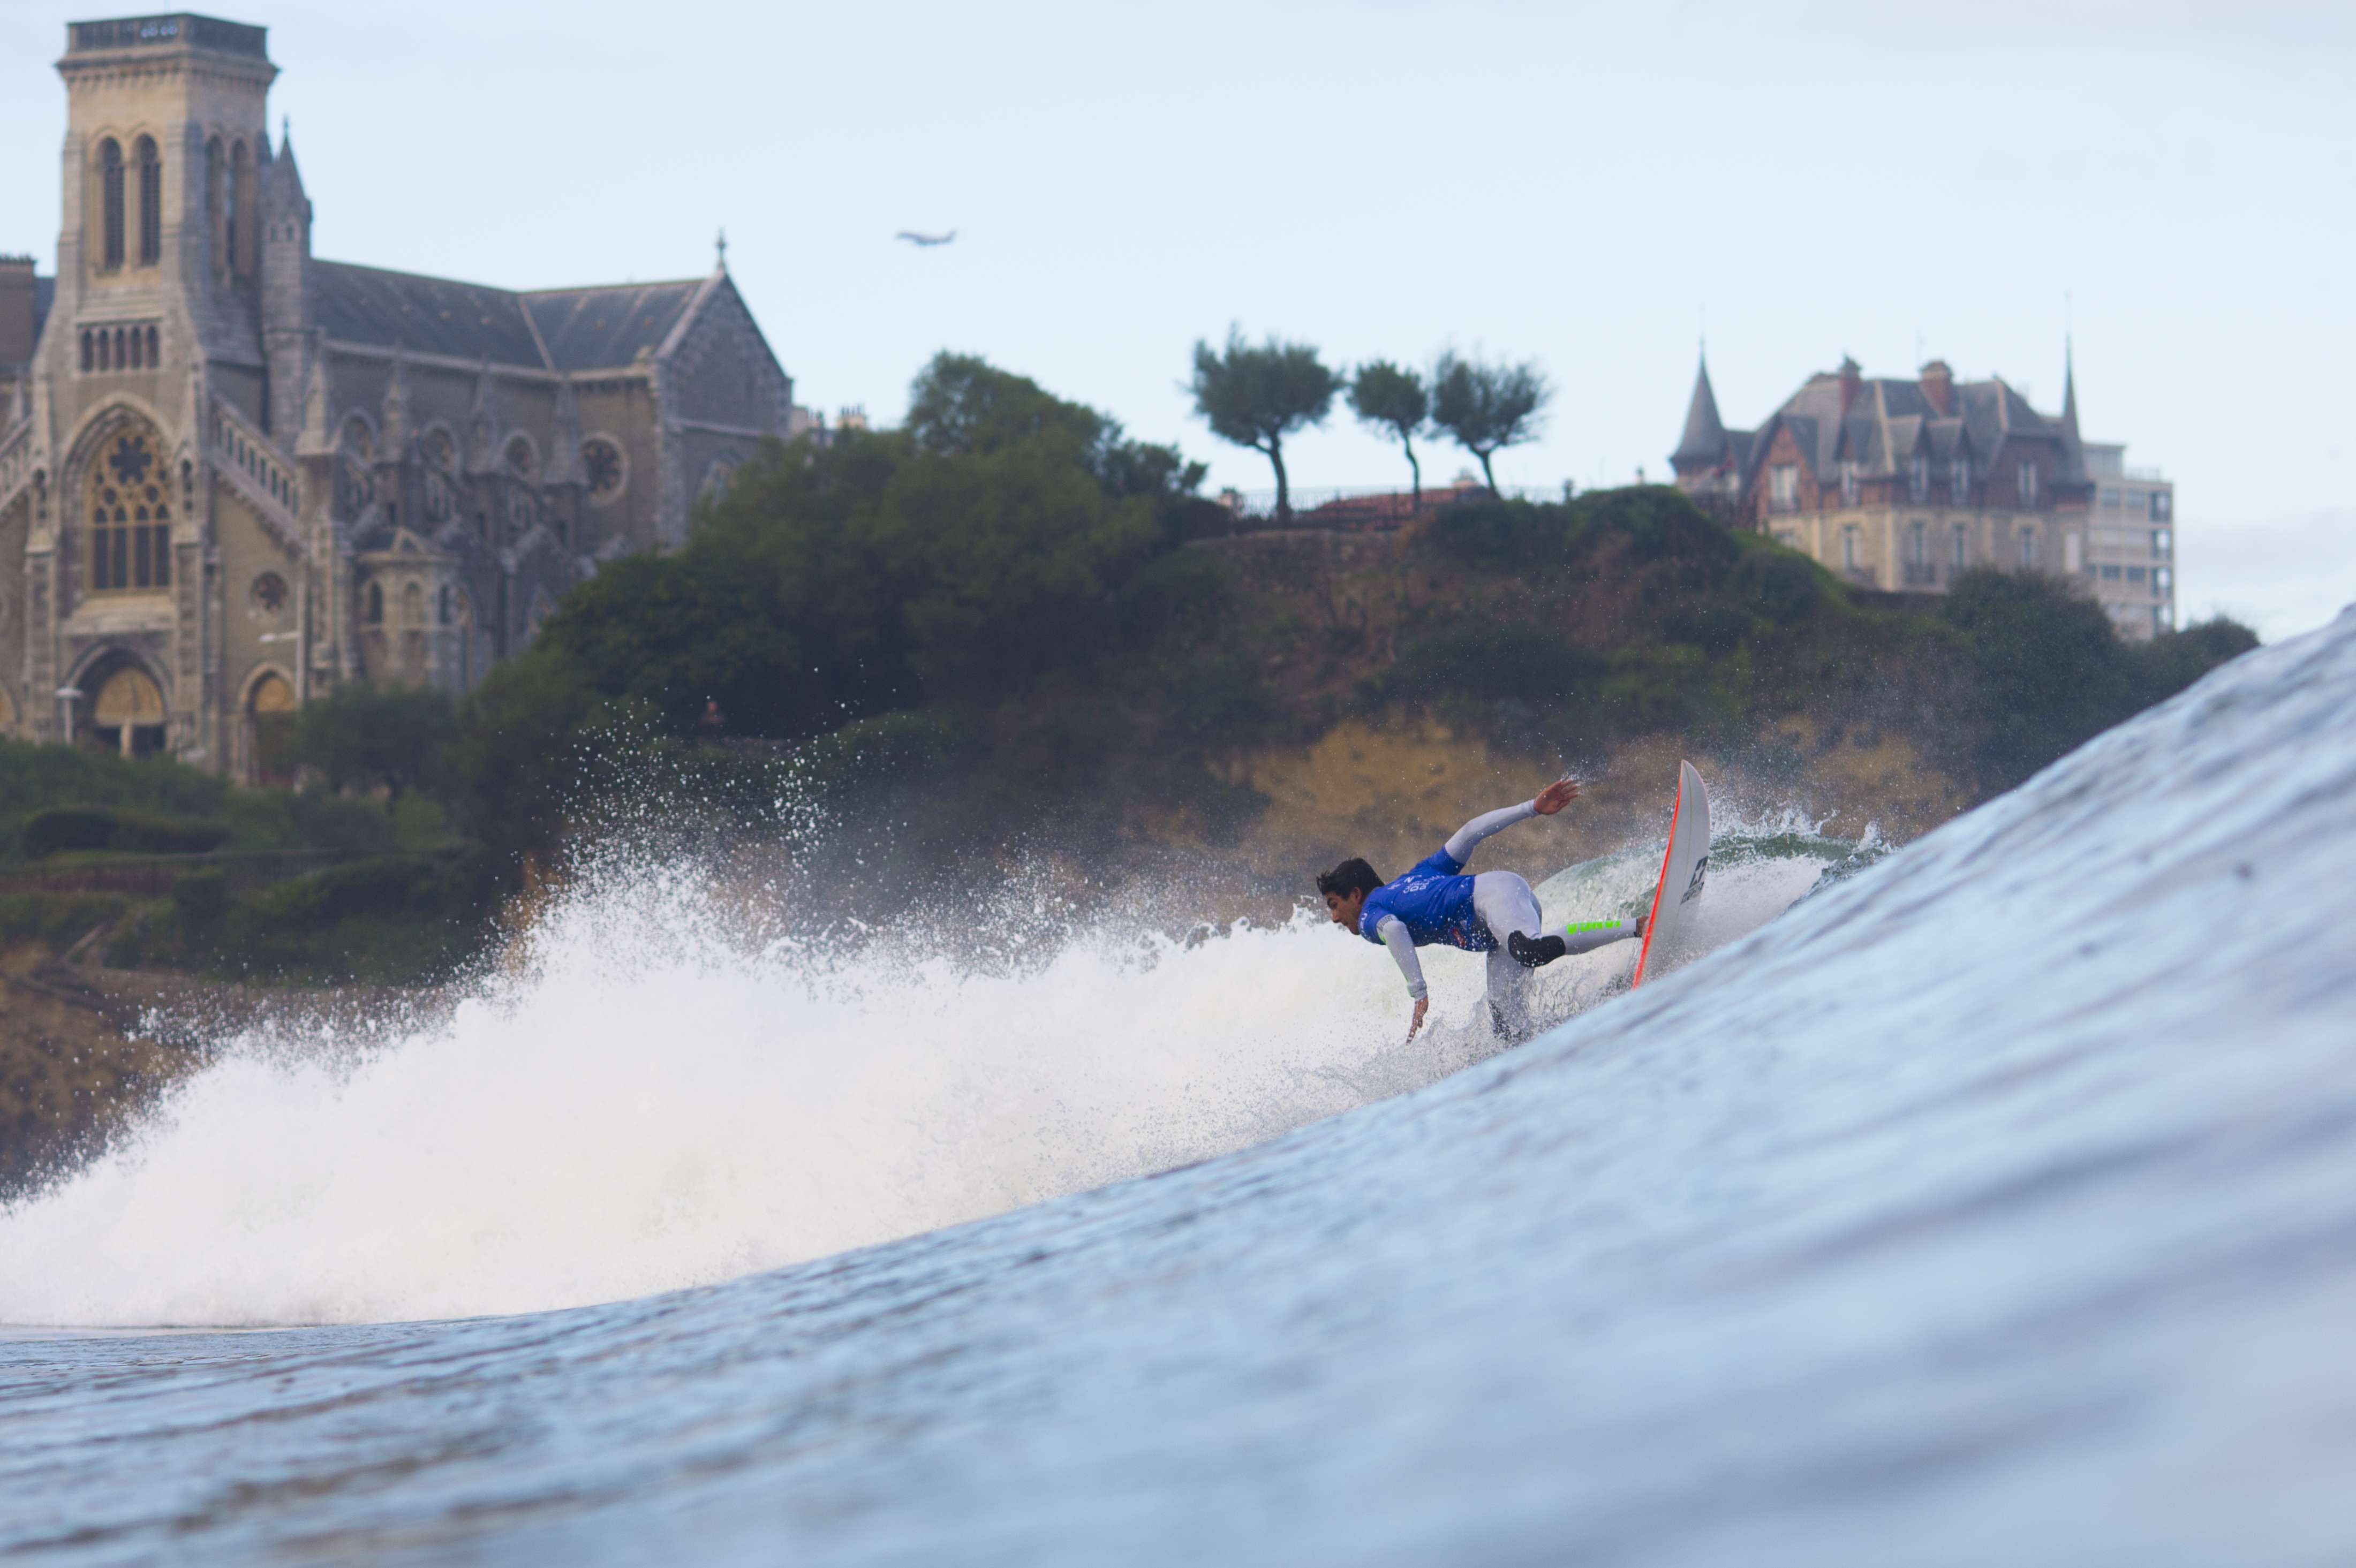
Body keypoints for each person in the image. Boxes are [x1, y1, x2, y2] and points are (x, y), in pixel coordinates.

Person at [1318, 776, 1645, 1042]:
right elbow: (1470, 833)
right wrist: (1529, 808)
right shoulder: (1417, 876)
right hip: (1498, 925)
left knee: (1530, 949)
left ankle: (1640, 926)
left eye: (1335, 905)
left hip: (1491, 898)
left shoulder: (1370, 914)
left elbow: (1394, 930)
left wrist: (1419, 994)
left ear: (1356, 895)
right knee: (1510, 1036)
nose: (1334, 917)